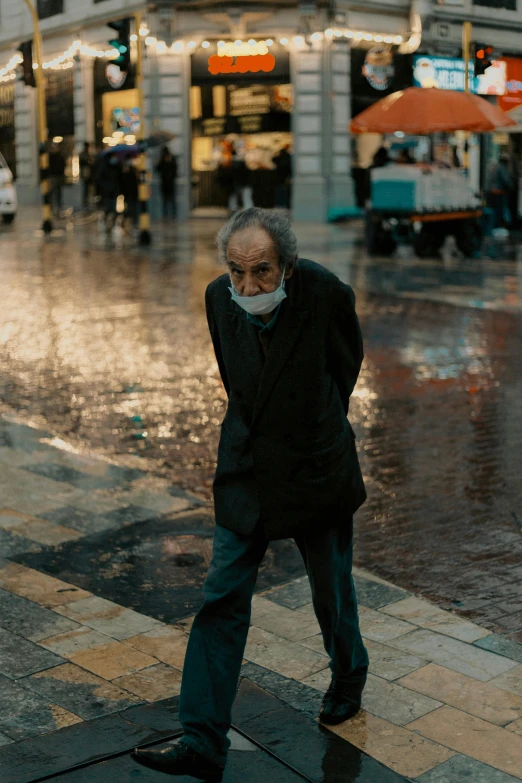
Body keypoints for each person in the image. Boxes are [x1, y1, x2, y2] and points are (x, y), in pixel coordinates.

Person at [132, 207, 368, 780]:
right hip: (246, 469)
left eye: (261, 272)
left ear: (286, 265)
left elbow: (346, 367)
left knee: (330, 589)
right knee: (220, 599)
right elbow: (234, 378)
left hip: (315, 465)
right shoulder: (220, 299)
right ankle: (202, 739)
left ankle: (348, 672)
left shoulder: (327, 294)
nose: (248, 287)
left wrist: (311, 425)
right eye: (237, 272)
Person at [486, 154, 513, 228]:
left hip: (491, 192)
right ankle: (496, 227)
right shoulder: (502, 167)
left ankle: (493, 227)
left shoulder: (495, 166)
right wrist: (511, 186)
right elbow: (506, 180)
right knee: (498, 211)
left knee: (493, 210)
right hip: (498, 192)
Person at [96, 153, 121, 230]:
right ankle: (105, 220)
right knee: (108, 207)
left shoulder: (117, 167)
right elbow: (99, 179)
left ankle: (112, 223)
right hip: (107, 191)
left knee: (113, 208)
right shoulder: (104, 167)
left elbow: (119, 179)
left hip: (114, 191)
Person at [156, 147, 178, 219]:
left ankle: (173, 214)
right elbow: (158, 169)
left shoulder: (172, 159)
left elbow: (175, 169)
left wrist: (170, 162)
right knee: (165, 200)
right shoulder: (162, 160)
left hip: (170, 183)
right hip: (164, 183)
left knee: (172, 199)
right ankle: (165, 215)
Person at [120, 158, 139, 231]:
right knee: (129, 209)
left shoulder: (134, 171)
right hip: (127, 194)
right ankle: (126, 222)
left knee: (133, 209)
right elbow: (122, 183)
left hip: (133, 194)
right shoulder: (123, 172)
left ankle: (133, 223)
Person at [272, 144, 292, 208]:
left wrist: (276, 154)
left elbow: (273, 159)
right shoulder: (288, 157)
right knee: (284, 191)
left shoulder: (279, 158)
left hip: (278, 177)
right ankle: (284, 204)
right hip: (284, 177)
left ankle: (279, 204)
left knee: (279, 191)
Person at [48, 143, 66, 216]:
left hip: (59, 177)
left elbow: (63, 165)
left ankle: (58, 209)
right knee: (52, 194)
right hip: (53, 177)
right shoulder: (51, 157)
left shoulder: (60, 156)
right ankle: (51, 209)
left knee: (58, 194)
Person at [79, 142, 94, 209]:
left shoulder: (88, 154)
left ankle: (87, 201)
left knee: (88, 189)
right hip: (85, 173)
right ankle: (85, 202)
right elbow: (83, 163)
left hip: (88, 173)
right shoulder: (83, 154)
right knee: (86, 188)